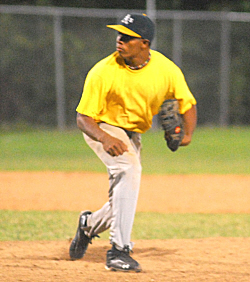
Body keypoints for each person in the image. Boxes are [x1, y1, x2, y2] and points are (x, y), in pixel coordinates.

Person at [69, 13, 197, 272]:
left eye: (128, 37)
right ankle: (118, 251)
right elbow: (83, 118)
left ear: (145, 44)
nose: (120, 40)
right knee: (129, 170)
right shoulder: (103, 71)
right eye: (119, 35)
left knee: (124, 193)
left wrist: (187, 135)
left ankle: (88, 225)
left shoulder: (166, 69)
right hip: (102, 126)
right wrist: (104, 138)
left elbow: (187, 103)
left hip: (133, 133)